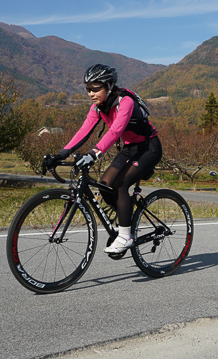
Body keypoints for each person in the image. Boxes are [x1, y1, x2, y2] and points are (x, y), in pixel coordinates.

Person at [47, 64, 161, 254]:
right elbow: (83, 132)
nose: (91, 93)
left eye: (96, 88)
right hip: (130, 148)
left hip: (149, 147)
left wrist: (94, 153)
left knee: (120, 185)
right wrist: (61, 154)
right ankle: (127, 221)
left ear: (109, 85)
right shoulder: (97, 108)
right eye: (88, 89)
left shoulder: (125, 101)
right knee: (106, 185)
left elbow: (115, 131)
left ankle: (125, 235)